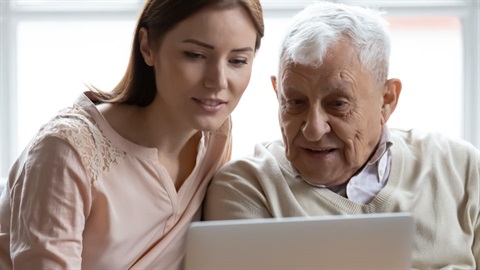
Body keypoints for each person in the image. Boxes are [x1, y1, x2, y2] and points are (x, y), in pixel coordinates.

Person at [203, 1, 479, 268]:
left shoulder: (460, 168)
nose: (313, 129)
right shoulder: (248, 188)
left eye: (338, 104)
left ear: (387, 100)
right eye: (295, 102)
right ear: (278, 93)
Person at [0, 0, 264, 268]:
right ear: (147, 47)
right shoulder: (64, 153)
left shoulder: (216, 134)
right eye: (195, 55)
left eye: (238, 60)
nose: (218, 81)